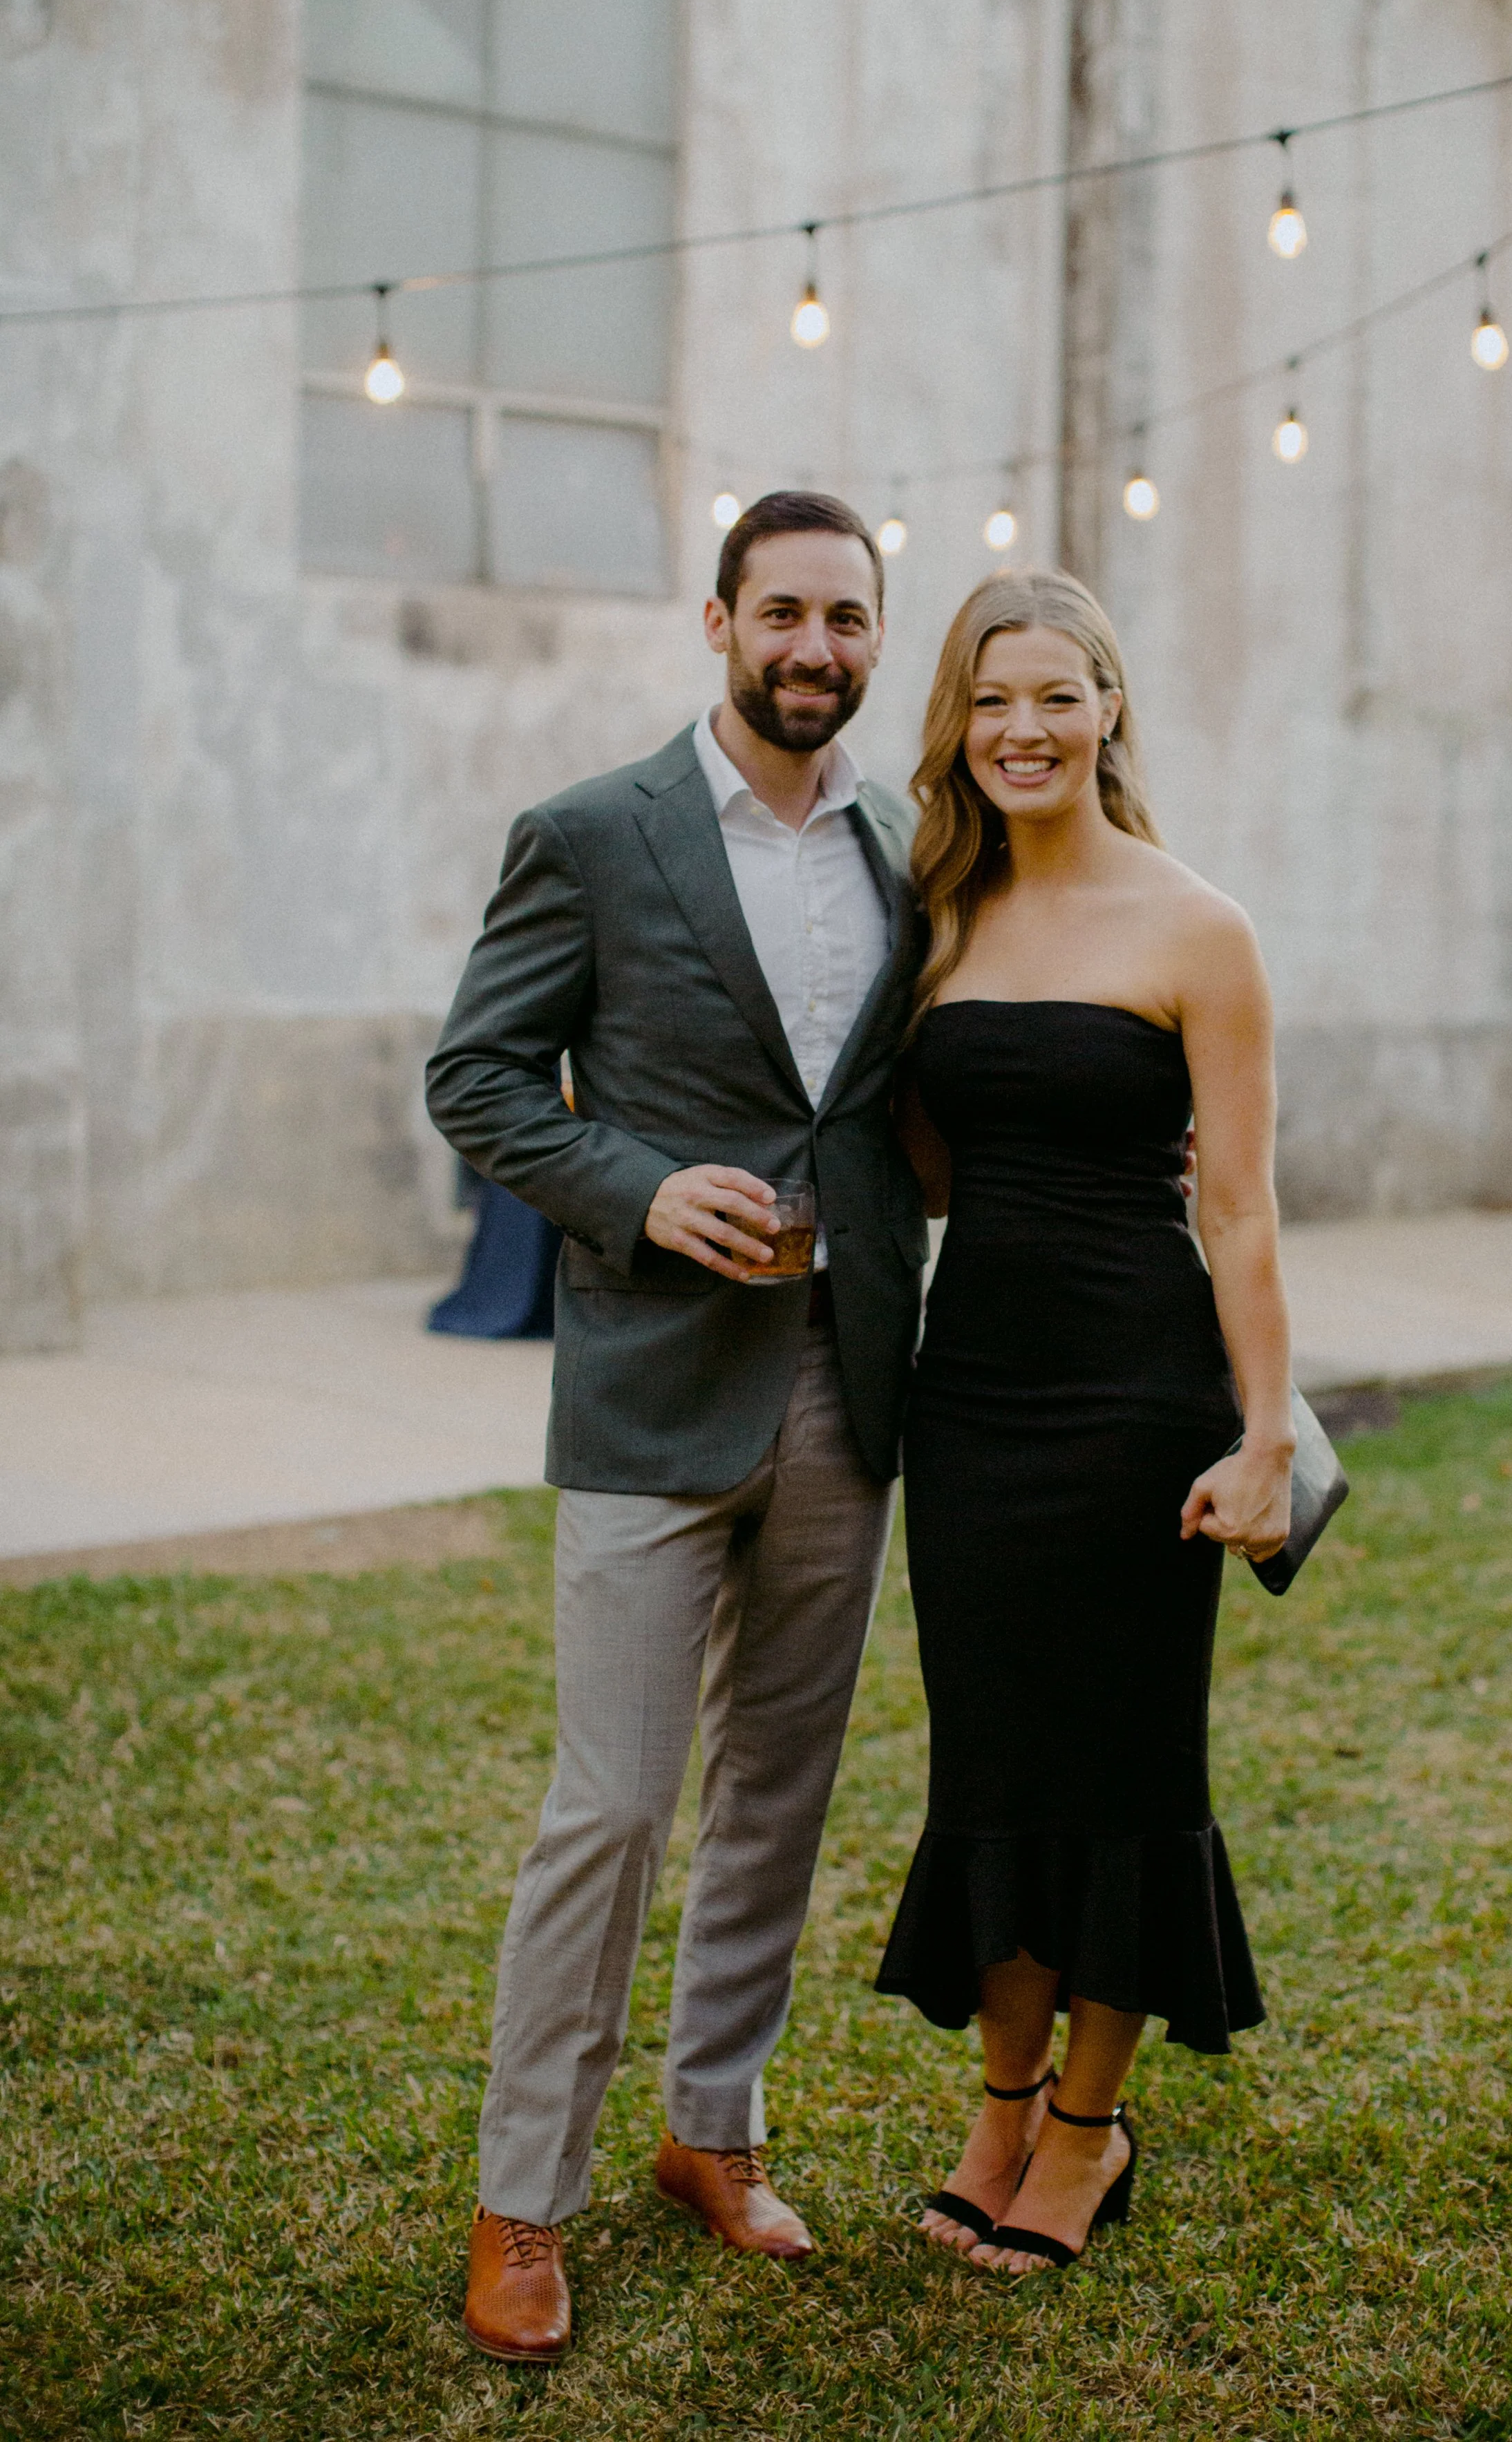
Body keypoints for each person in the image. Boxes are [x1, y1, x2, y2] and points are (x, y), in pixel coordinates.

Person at [424, 491, 927, 2362]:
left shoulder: (909, 841)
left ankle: (711, 2128)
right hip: (650, 1377)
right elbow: (475, 1074)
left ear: (879, 637)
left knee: (779, 1789)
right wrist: (635, 1187)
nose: (815, 647)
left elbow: (899, 1103)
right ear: (716, 619)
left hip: (846, 1370)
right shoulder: (590, 834)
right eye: (782, 611)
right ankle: (520, 2197)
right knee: (616, 1803)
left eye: (849, 618)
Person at [873, 569, 1293, 2273]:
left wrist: (1263, 1435)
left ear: (1109, 706)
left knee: (1122, 1770)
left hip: (1138, 1398)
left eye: (1053, 696)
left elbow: (1244, 1207)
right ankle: (995, 2101)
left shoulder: (1199, 926)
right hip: (966, 1398)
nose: (1021, 731)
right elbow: (917, 1160)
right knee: (987, 1764)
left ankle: (1084, 2130)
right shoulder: (932, 919)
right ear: (954, 730)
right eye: (988, 702)